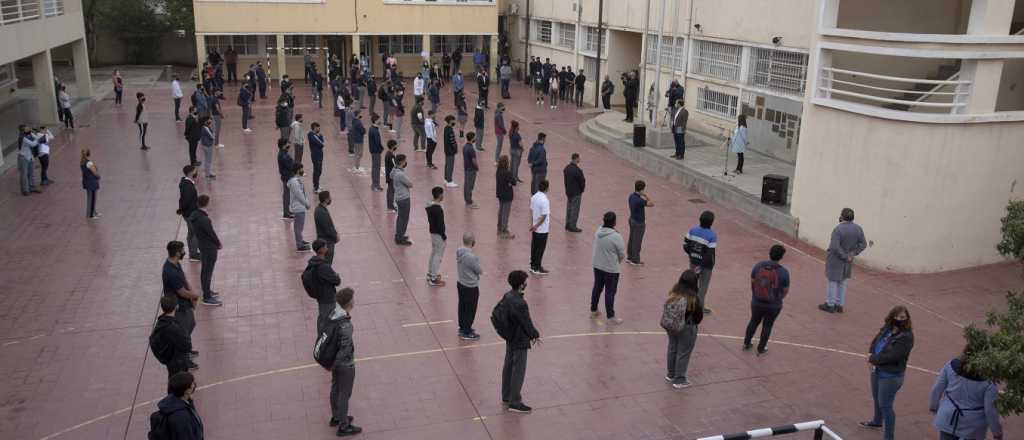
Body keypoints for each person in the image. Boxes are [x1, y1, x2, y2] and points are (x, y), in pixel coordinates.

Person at [928, 342, 1004, 440]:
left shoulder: (951, 365)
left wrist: (933, 407)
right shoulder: (989, 381)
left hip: (948, 415)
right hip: (973, 425)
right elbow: (990, 410)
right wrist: (997, 432)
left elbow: (936, 389)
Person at [860, 306, 915, 440]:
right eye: (897, 316)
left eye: (902, 317)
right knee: (877, 398)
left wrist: (872, 359)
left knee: (885, 405)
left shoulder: (907, 337)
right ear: (892, 316)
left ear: (907, 319)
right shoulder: (887, 328)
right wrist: (871, 352)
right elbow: (876, 340)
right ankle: (877, 421)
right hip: (877, 370)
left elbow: (892, 356)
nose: (899, 319)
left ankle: (889, 437)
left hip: (891, 376)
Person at [497, 270, 541, 413]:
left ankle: (506, 395)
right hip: (520, 339)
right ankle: (515, 401)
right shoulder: (520, 302)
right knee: (519, 370)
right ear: (522, 284)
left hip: (510, 336)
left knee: (508, 366)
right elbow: (526, 322)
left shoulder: (508, 296)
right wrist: (535, 334)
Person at [742, 245, 790, 356]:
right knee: (767, 325)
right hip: (773, 305)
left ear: (769, 253)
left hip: (757, 301)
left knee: (753, 321)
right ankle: (761, 349)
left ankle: (746, 343)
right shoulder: (784, 272)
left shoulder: (758, 266)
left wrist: (755, 294)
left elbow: (753, 281)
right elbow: (786, 290)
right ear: (781, 257)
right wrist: (779, 299)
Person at [327, 288, 362, 436]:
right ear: (349, 303)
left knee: (335, 388)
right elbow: (345, 348)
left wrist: (332, 364)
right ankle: (343, 425)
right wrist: (340, 363)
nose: (354, 301)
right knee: (344, 394)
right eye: (353, 299)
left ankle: (336, 416)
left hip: (334, 361)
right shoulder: (346, 325)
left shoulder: (334, 314)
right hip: (344, 364)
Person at [661, 270, 704, 389]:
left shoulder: (674, 292)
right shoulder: (693, 298)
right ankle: (679, 379)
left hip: (671, 325)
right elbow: (699, 316)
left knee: (672, 348)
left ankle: (671, 373)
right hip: (687, 327)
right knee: (683, 352)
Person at [820, 208, 867, 313]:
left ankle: (830, 304)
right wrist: (852, 254)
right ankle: (839, 304)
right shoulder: (858, 229)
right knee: (843, 281)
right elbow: (863, 244)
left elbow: (834, 247)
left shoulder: (838, 229)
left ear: (842, 216)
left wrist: (844, 256)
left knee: (832, 280)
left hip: (836, 259)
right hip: (848, 260)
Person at [162, 241, 200, 369]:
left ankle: (187, 351)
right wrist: (195, 296)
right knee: (182, 333)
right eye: (183, 250)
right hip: (179, 306)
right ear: (177, 253)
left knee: (191, 324)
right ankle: (185, 359)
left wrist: (192, 295)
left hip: (185, 303)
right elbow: (182, 292)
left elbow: (184, 281)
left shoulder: (175, 263)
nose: (185, 252)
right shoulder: (170, 271)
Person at [189, 194, 224, 306]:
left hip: (203, 246)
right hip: (209, 248)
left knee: (205, 271)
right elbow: (211, 234)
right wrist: (218, 243)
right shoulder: (205, 219)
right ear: (206, 204)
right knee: (207, 272)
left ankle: (207, 291)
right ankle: (207, 297)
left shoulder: (194, 215)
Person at [592, 211, 626, 323]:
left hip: (597, 265)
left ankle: (593, 309)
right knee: (610, 292)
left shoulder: (598, 231)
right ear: (614, 222)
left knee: (597, 288)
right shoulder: (616, 236)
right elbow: (622, 254)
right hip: (611, 269)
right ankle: (610, 316)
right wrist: (617, 262)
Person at [150, 295, 192, 379]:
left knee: (173, 378)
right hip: (177, 360)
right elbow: (187, 345)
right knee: (178, 381)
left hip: (169, 359)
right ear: (176, 306)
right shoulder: (173, 327)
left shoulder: (161, 322)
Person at [684, 210, 717, 314]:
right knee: (703, 287)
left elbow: (685, 244)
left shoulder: (692, 230)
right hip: (706, 266)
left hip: (693, 262)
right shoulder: (712, 235)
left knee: (692, 284)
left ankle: (689, 305)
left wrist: (691, 254)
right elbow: (709, 254)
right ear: (711, 222)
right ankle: (699, 309)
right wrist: (702, 266)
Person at [306, 239, 342, 334]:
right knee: (326, 318)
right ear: (321, 249)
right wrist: (336, 276)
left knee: (322, 317)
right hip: (327, 296)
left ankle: (323, 337)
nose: (327, 247)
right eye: (325, 246)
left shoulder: (314, 262)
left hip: (321, 295)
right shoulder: (323, 266)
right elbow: (337, 281)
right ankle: (323, 340)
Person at [156, 372, 204, 439]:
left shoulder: (175, 402)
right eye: (192, 383)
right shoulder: (181, 416)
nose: (194, 385)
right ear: (186, 390)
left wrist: (189, 400)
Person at [456, 232, 483, 340]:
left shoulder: (459, 251)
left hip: (461, 283)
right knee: (470, 309)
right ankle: (467, 332)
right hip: (470, 286)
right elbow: (479, 270)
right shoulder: (471, 257)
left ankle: (462, 327)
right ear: (472, 241)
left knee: (462, 306)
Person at [626, 180, 655, 265]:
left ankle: (630, 257)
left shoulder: (631, 196)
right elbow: (652, 204)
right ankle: (635, 260)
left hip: (631, 219)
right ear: (642, 189)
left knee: (631, 239)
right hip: (639, 222)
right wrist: (646, 196)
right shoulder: (640, 200)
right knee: (637, 241)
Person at [425, 186, 447, 286]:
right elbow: (440, 225)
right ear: (439, 195)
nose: (443, 196)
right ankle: (433, 278)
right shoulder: (438, 209)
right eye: (442, 194)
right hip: (438, 234)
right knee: (438, 256)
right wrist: (443, 236)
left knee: (434, 253)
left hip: (432, 232)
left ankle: (430, 273)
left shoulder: (429, 206)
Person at [178, 165, 201, 261]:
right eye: (195, 171)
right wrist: (185, 210)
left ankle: (193, 252)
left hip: (188, 212)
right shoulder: (188, 186)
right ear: (191, 173)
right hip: (190, 213)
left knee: (191, 233)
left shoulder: (186, 183)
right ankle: (194, 254)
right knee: (194, 233)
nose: (196, 172)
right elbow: (186, 200)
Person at [529, 180, 551, 275]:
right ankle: (537, 267)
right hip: (542, 229)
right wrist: (536, 225)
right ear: (547, 188)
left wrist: (533, 225)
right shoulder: (545, 200)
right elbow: (544, 216)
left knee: (534, 247)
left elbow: (532, 211)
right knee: (540, 249)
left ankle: (533, 265)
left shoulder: (534, 197)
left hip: (535, 227)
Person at [289, 163, 312, 251]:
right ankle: (299, 245)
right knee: (298, 227)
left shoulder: (297, 180)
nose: (303, 170)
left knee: (300, 226)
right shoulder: (294, 182)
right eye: (302, 169)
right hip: (298, 207)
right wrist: (306, 203)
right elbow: (299, 195)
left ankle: (300, 240)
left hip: (300, 207)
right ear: (298, 170)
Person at [391, 154, 414, 246]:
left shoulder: (395, 171)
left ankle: (399, 235)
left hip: (398, 197)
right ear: (401, 162)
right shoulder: (400, 174)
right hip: (404, 198)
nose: (406, 162)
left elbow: (391, 175)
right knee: (404, 218)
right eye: (405, 160)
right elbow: (410, 184)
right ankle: (400, 238)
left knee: (400, 217)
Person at [563, 153, 585, 233]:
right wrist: (581, 189)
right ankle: (573, 226)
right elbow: (582, 182)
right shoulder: (578, 171)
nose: (579, 160)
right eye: (579, 158)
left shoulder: (566, 168)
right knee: (575, 209)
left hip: (568, 191)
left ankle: (567, 224)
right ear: (576, 159)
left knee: (569, 208)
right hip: (576, 192)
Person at [496, 155, 516, 239]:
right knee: (505, 213)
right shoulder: (507, 172)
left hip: (500, 194)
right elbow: (514, 182)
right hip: (507, 194)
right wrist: (510, 183)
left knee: (501, 211)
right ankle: (504, 230)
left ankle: (499, 228)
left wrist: (509, 183)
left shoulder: (498, 171)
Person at [277, 139, 295, 220]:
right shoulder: (283, 155)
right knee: (286, 195)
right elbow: (290, 165)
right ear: (283, 145)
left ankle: (287, 210)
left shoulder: (284, 153)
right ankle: (286, 213)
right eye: (287, 143)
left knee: (287, 195)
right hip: (286, 177)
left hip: (288, 176)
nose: (289, 145)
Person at [80, 148, 100, 218]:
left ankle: (94, 212)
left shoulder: (82, 162)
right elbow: (94, 172)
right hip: (92, 182)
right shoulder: (89, 163)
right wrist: (98, 176)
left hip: (86, 181)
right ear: (89, 153)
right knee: (92, 198)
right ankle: (90, 215)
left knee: (90, 197)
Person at [463, 132, 480, 208]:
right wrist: (477, 167)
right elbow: (474, 160)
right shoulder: (471, 149)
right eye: (474, 137)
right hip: (471, 169)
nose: (475, 138)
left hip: (466, 168)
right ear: (472, 138)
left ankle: (467, 200)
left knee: (467, 185)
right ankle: (469, 202)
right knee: (469, 186)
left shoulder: (465, 147)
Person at [308, 122, 326, 192]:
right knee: (317, 170)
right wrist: (320, 137)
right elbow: (321, 144)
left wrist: (320, 136)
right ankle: (316, 187)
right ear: (314, 127)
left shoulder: (318, 135)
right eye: (318, 127)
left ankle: (317, 184)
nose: (319, 128)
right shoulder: (311, 135)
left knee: (319, 170)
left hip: (320, 154)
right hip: (315, 155)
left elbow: (321, 142)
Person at [443, 115, 459, 187]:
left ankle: (446, 179)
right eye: (453, 120)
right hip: (450, 151)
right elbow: (452, 141)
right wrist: (455, 149)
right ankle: (449, 181)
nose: (454, 122)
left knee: (447, 165)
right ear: (450, 121)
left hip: (446, 150)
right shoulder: (450, 130)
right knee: (450, 165)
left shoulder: (446, 128)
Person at [384, 140, 398, 212]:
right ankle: (390, 207)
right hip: (391, 176)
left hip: (390, 175)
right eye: (395, 145)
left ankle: (390, 205)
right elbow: (395, 165)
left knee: (391, 190)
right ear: (393, 146)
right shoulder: (390, 155)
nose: (396, 146)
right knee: (391, 191)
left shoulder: (389, 154)